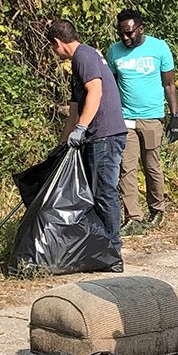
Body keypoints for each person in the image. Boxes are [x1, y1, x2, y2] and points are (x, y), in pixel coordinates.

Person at [47, 18, 129, 262]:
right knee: (93, 192)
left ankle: (113, 250)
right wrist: (63, 144)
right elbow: (74, 110)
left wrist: (82, 128)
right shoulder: (79, 62)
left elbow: (95, 90)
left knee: (104, 191)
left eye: (52, 47)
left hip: (105, 134)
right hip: (96, 136)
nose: (54, 52)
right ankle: (100, 244)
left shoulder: (85, 56)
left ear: (57, 42)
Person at [104, 9, 178, 233]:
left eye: (129, 33)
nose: (125, 38)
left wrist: (175, 117)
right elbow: (111, 86)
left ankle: (157, 211)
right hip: (125, 118)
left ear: (140, 29)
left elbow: (169, 85)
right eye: (121, 34)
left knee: (151, 165)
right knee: (126, 168)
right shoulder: (114, 52)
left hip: (151, 117)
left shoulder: (159, 48)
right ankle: (133, 217)